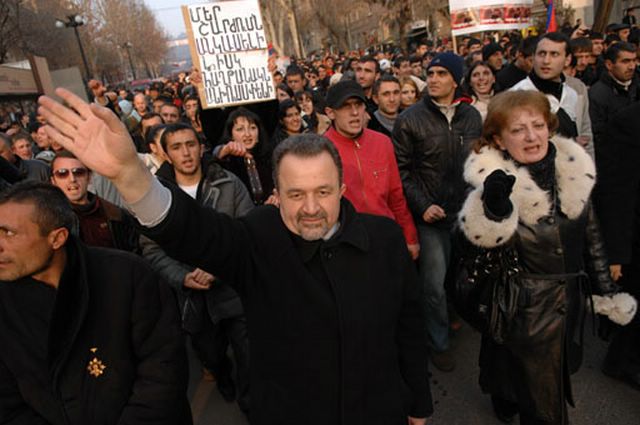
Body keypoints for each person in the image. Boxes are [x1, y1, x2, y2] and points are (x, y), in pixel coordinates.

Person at [38, 88, 433, 425]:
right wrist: (130, 175)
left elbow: (409, 328)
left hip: (379, 410)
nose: (311, 207)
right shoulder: (257, 237)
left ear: (342, 187)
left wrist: (418, 404)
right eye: (296, 194)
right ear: (276, 193)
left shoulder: (383, 239)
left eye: (323, 192)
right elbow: (191, 230)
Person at [455, 90, 633, 424]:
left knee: (530, 377)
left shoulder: (574, 170)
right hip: (522, 307)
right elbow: (471, 249)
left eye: (538, 125)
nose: (531, 136)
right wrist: (493, 210)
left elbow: (591, 235)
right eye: (518, 129)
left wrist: (605, 291)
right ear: (498, 139)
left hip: (568, 302)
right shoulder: (488, 181)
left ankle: (505, 393)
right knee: (545, 406)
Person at [0, 181, 191, 424]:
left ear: (57, 238)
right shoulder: (5, 302)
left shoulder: (127, 276)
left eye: (8, 233)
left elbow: (163, 369)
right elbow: (7, 402)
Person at [141, 123, 252, 412]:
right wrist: (183, 276)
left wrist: (218, 267)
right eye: (176, 147)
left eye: (190, 144)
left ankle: (252, 404)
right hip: (193, 299)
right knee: (212, 355)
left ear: (201, 147)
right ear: (165, 154)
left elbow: (248, 231)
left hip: (233, 290)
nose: (186, 153)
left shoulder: (228, 184)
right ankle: (223, 376)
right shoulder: (155, 196)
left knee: (249, 354)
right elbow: (151, 247)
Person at [393, 51, 483, 372]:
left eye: (442, 74)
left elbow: (479, 163)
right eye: (430, 73)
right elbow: (400, 171)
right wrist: (423, 205)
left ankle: (458, 315)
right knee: (431, 284)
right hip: (430, 216)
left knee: (462, 275)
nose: (433, 79)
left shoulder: (472, 117)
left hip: (465, 214)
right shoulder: (410, 119)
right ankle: (438, 341)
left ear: (456, 80)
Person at [324, 80, 419, 259]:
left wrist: (410, 236)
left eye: (358, 105)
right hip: (345, 244)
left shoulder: (383, 143)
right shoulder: (321, 149)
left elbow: (396, 195)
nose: (354, 113)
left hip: (385, 237)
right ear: (330, 113)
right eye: (345, 106)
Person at [511, 32, 593, 153]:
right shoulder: (516, 96)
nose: (546, 61)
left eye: (554, 54)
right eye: (541, 54)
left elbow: (585, 136)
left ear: (567, 60)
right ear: (533, 57)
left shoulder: (572, 94)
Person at [50, 150, 139, 252]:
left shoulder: (115, 215)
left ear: (89, 177)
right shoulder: (49, 219)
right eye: (62, 173)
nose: (72, 179)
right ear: (53, 181)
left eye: (78, 172)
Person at [216, 108, 275, 205]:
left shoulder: (271, 157)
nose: (247, 134)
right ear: (231, 135)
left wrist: (276, 197)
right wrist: (222, 153)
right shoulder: (226, 161)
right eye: (240, 129)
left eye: (252, 128)